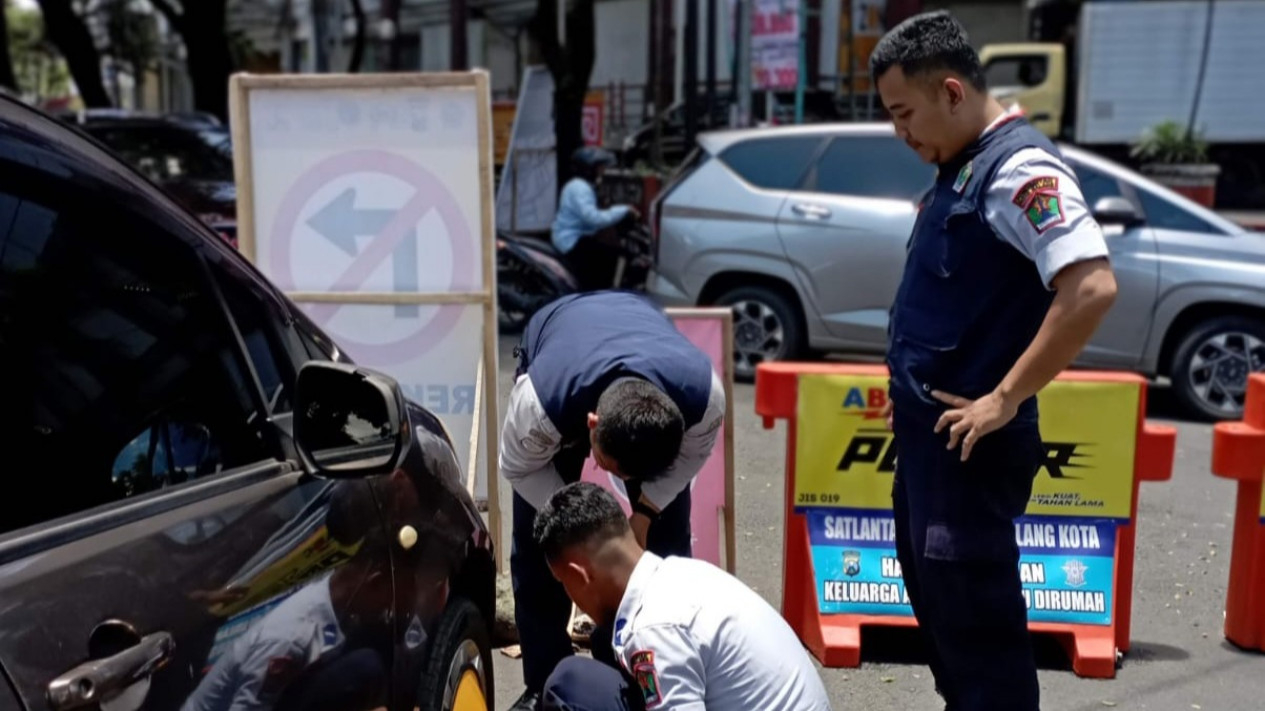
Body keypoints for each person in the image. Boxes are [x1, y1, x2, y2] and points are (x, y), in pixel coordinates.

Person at [871, 11, 1118, 710]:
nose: (901, 133)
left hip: (970, 453)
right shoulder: (960, 167)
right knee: (943, 614)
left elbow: (1090, 285)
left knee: (978, 631)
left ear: (950, 91)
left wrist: (1005, 395)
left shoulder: (1019, 170)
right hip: (930, 442)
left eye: (903, 113)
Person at [500, 290, 725, 710]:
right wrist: (577, 525)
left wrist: (645, 511)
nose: (613, 479)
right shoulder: (539, 406)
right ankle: (544, 683)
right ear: (592, 426)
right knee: (540, 548)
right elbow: (518, 467)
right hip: (563, 345)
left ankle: (650, 674)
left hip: (642, 342)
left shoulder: (703, 400)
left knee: (667, 545)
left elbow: (687, 462)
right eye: (611, 466)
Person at [533, 482, 832, 711]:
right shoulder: (683, 574)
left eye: (564, 583)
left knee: (570, 684)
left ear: (578, 574)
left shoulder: (654, 628)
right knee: (604, 644)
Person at [551, 147, 640, 290]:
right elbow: (593, 218)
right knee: (608, 256)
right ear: (588, 169)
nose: (602, 171)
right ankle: (593, 294)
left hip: (576, 237)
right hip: (570, 241)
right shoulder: (579, 188)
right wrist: (623, 210)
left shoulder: (582, 186)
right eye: (599, 168)